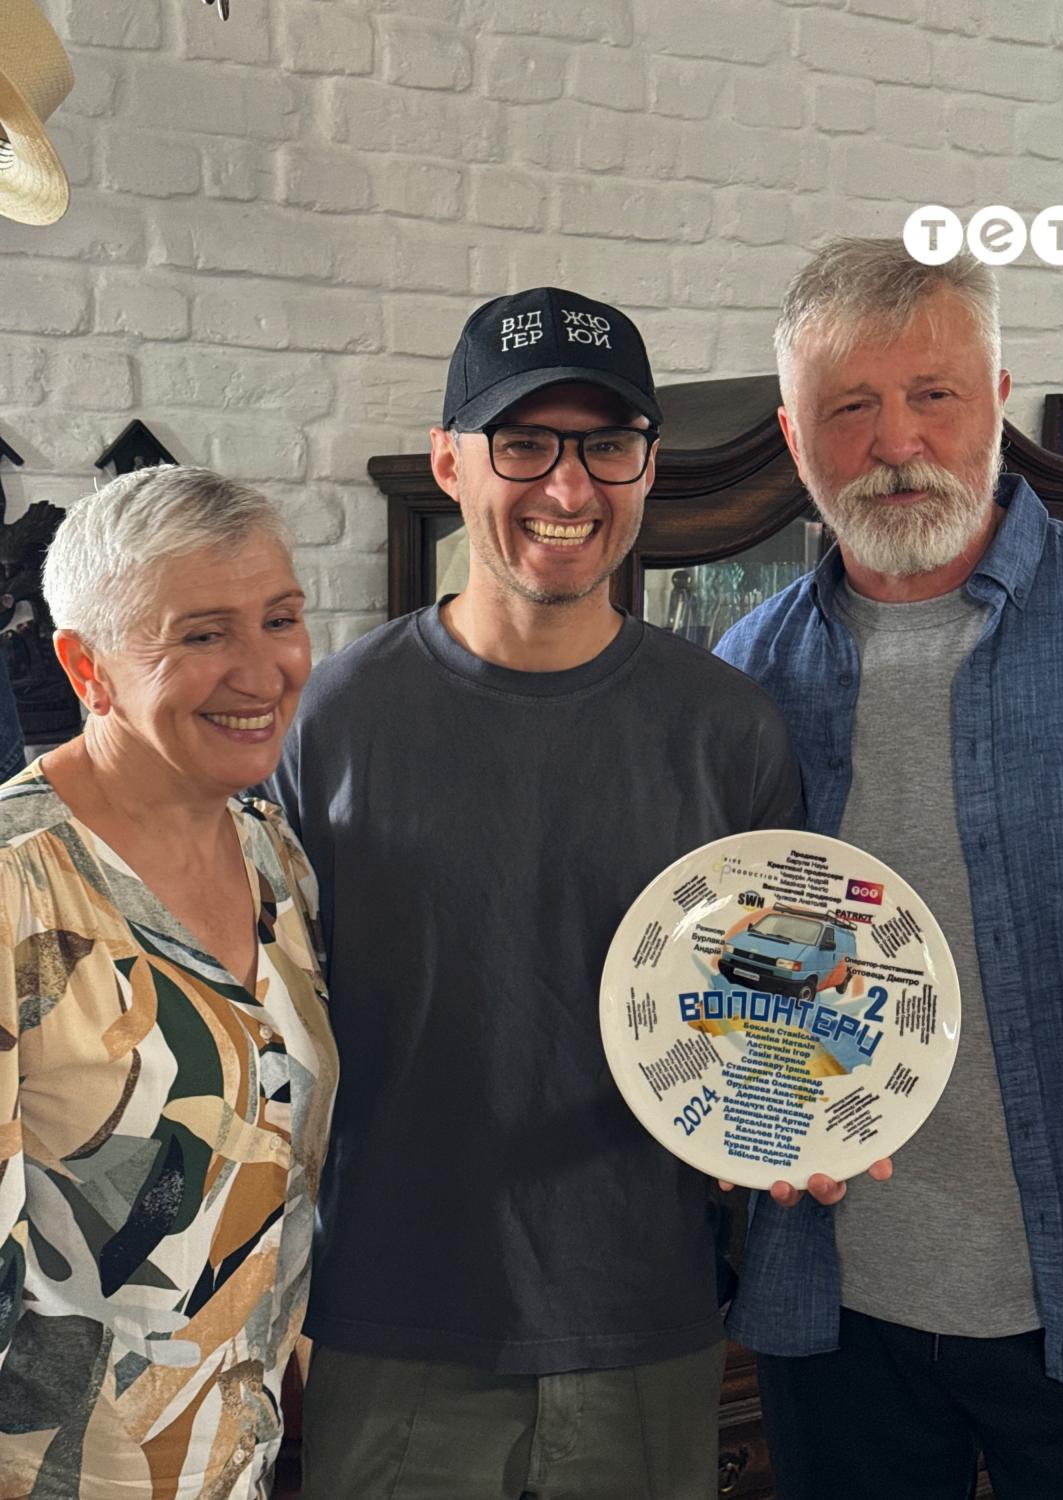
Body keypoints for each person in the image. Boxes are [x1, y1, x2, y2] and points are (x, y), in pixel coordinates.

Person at [271, 286, 801, 1500]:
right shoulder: (335, 718)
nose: (569, 487)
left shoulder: (729, 729)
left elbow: (771, 1003)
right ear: (450, 462)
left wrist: (811, 1115)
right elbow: (275, 1029)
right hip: (394, 1318)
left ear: (648, 466)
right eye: (523, 443)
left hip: (648, 1316)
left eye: (607, 445)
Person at [714, 237, 1063, 1500]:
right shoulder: (745, 672)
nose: (895, 441)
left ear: (997, 397)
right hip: (835, 1306)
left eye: (932, 393)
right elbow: (730, 964)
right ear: (795, 437)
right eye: (848, 409)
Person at [0, 466, 337, 1498]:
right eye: (202, 635)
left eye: (279, 619)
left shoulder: (273, 852)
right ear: (86, 666)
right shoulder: (17, 888)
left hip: (245, 1459)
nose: (264, 671)